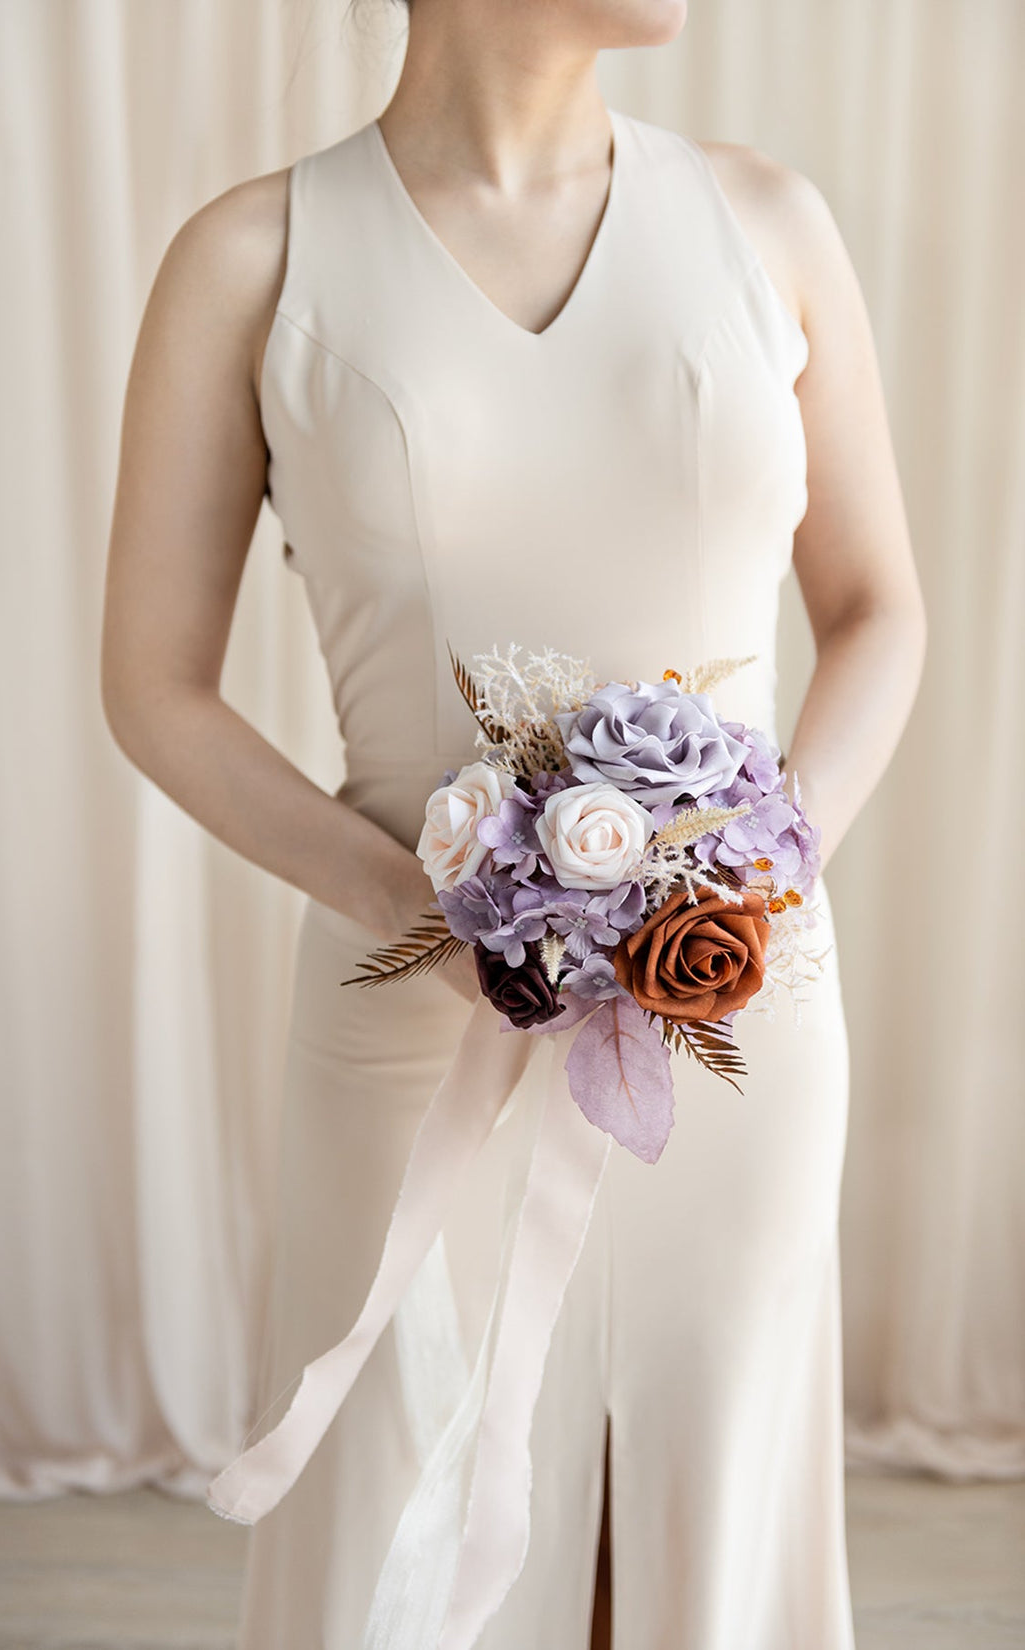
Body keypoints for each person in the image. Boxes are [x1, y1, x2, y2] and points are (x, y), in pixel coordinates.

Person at [100, 1, 926, 1645]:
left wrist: (764, 870)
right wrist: (444, 907)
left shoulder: (768, 221)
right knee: (409, 1518)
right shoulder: (252, 259)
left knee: (710, 1499)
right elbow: (154, 686)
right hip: (409, 1034)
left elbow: (878, 607)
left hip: (739, 1015)